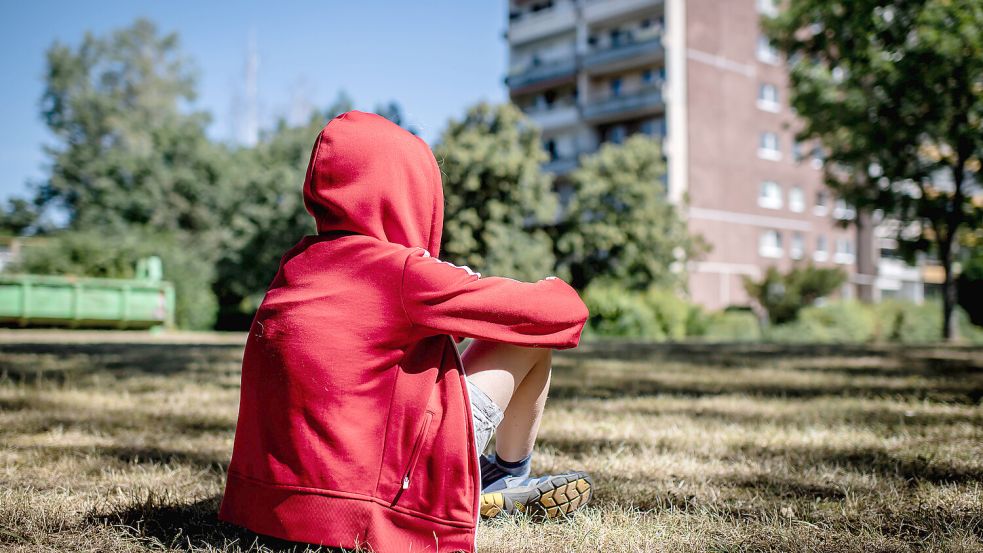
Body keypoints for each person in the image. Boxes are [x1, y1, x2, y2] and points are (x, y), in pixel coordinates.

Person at [218, 110, 592, 553]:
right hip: (371, 506)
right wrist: (549, 287)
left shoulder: (296, 265)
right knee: (525, 336)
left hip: (264, 507)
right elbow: (560, 316)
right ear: (408, 193)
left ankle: (490, 475)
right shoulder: (399, 271)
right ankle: (505, 474)